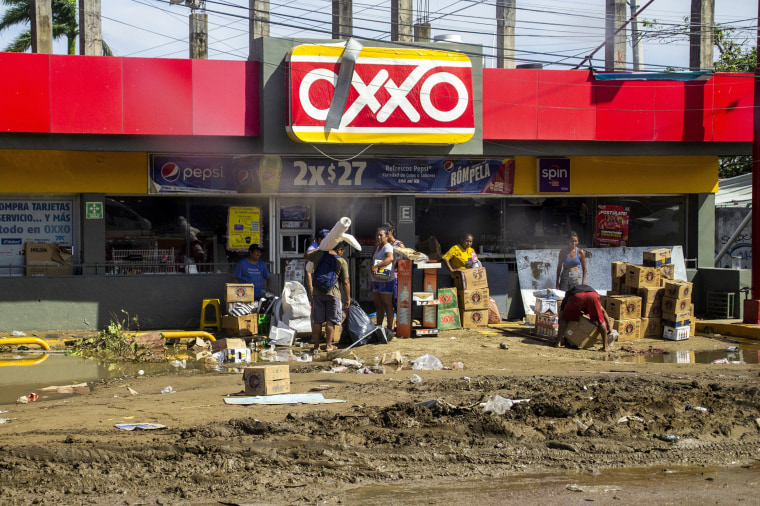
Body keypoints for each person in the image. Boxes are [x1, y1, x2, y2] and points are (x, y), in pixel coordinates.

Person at [305, 241, 350, 353]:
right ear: (339, 249)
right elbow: (345, 282)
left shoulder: (319, 255)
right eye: (342, 251)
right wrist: (348, 298)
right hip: (333, 294)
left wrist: (321, 248)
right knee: (330, 320)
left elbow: (306, 255)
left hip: (317, 293)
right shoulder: (341, 261)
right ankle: (328, 345)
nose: (342, 253)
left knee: (317, 320)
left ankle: (316, 346)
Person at [556, 284, 614, 351]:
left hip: (577, 296)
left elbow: (562, 314)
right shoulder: (590, 291)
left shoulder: (568, 296)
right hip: (593, 295)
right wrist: (609, 326)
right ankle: (605, 347)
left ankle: (558, 343)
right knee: (600, 320)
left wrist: (560, 321)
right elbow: (603, 311)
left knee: (564, 318)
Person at [370, 226, 395, 332]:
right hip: (377, 280)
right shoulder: (378, 247)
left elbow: (390, 258)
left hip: (386, 280)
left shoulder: (387, 247)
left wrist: (377, 266)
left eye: (381, 235)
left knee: (387, 304)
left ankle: (390, 328)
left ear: (386, 236)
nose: (379, 237)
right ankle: (379, 326)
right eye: (377, 235)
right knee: (378, 304)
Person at [304, 229, 330, 301]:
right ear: (319, 239)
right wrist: (311, 290)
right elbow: (308, 272)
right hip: (316, 286)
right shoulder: (312, 249)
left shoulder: (327, 248)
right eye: (325, 239)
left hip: (325, 285)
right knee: (316, 308)